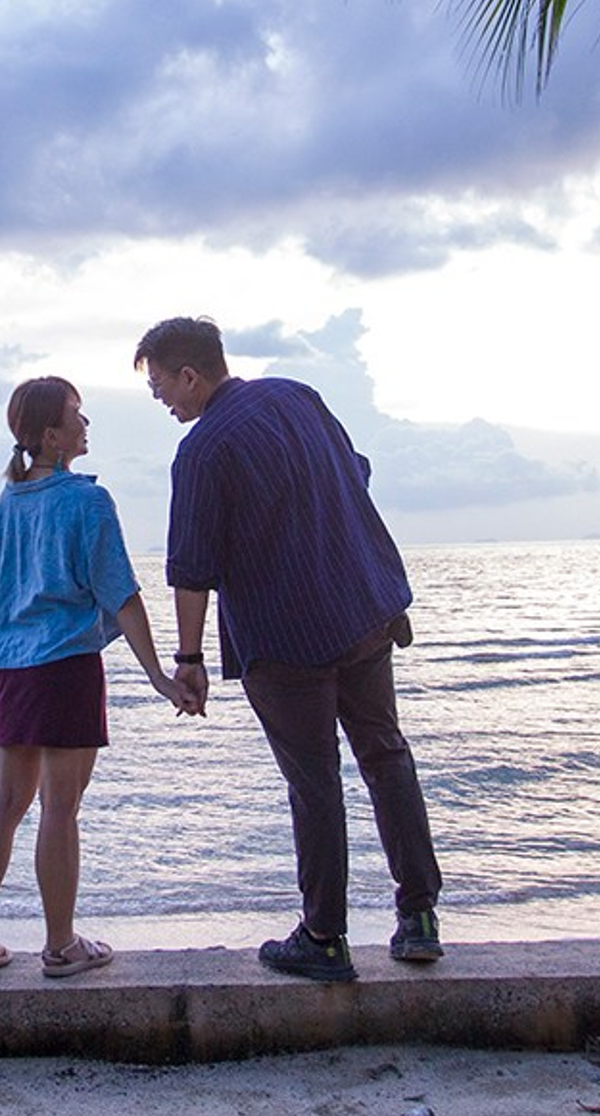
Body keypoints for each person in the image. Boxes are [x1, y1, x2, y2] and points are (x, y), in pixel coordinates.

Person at [134, 316, 443, 982]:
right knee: (386, 756)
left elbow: (192, 570)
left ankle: (325, 937)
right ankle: (418, 917)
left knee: (315, 784)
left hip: (285, 637)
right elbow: (355, 473)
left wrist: (187, 663)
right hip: (363, 606)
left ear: (190, 374)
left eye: (161, 387)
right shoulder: (297, 396)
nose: (163, 401)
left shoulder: (203, 451)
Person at [0, 375, 188, 982]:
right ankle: (61, 946)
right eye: (78, 416)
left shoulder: (8, 503)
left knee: (6, 801)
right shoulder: (87, 502)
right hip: (64, 665)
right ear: (53, 435)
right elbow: (123, 595)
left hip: (11, 663)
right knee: (60, 807)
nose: (87, 426)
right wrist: (161, 676)